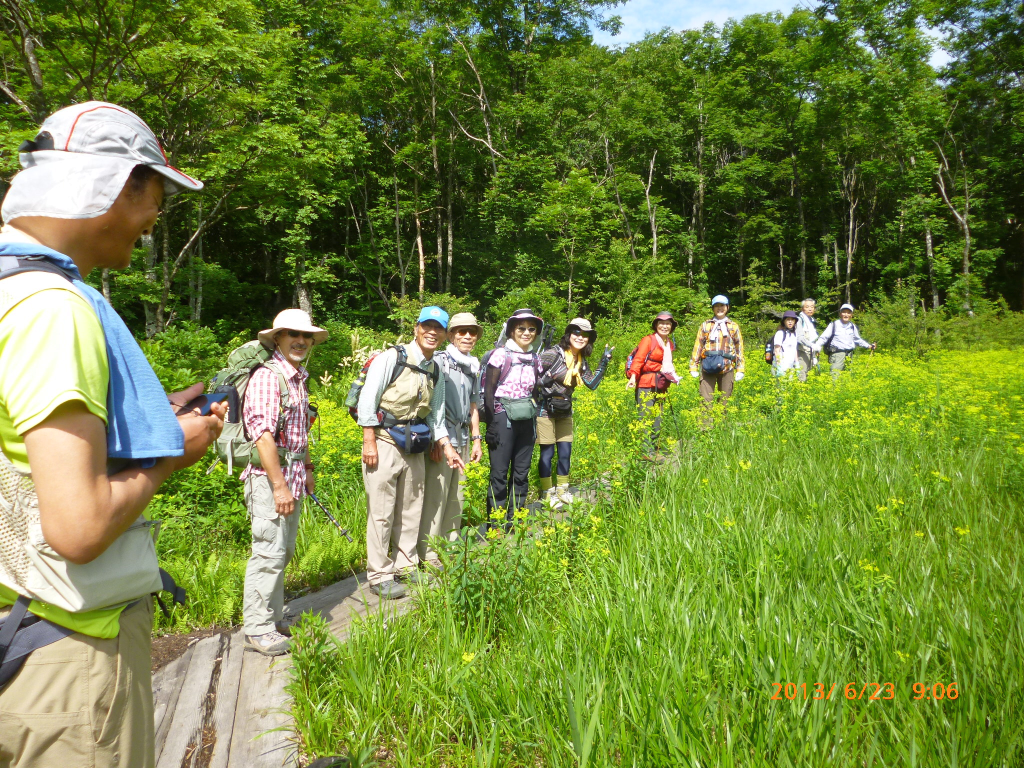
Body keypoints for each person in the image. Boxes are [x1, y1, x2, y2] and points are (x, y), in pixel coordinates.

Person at [0, 102, 224, 767]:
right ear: (118, 185)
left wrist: (157, 409)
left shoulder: (11, 292)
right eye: (156, 194)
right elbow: (80, 527)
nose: (156, 218)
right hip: (67, 654)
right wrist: (165, 457)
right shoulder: (53, 311)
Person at [357, 306, 465, 599]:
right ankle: (379, 574)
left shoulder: (435, 369)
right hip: (384, 441)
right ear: (417, 328)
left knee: (411, 508)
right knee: (381, 511)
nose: (432, 332)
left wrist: (447, 447)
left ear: (444, 335)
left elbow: (436, 416)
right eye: (427, 326)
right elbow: (368, 400)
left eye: (438, 328)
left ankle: (406, 564)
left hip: (414, 443)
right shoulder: (392, 358)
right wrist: (368, 441)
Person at [240, 309, 327, 656]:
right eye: (293, 334)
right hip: (268, 480)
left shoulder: (298, 377)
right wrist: (278, 486)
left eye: (306, 336)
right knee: (268, 553)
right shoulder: (267, 377)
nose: (301, 341)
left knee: (283, 551)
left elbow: (298, 430)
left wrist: (307, 468)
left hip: (290, 477)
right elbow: (262, 436)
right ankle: (257, 629)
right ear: (277, 338)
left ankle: (273, 619)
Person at [419, 313, 483, 569]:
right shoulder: (439, 361)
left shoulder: (472, 366)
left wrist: (477, 439)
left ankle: (451, 544)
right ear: (452, 335)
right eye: (461, 331)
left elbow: (474, 406)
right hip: (443, 439)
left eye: (472, 332)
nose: (467, 336)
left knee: (457, 495)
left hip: (464, 437)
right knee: (437, 495)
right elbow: (431, 404)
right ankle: (429, 552)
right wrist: (437, 439)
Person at [536, 318, 613, 506]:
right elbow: (531, 376)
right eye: (576, 332)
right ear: (569, 334)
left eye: (585, 335)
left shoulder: (581, 362)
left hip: (564, 409)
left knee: (565, 452)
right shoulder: (553, 354)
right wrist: (543, 382)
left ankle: (562, 490)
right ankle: (547, 493)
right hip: (545, 409)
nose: (580, 337)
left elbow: (592, 384)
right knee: (547, 453)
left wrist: (604, 361)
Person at [483, 308, 545, 527]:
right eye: (521, 328)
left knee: (521, 472)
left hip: (526, 419)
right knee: (499, 473)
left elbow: (535, 390)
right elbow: (489, 391)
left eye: (531, 329)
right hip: (502, 418)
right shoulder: (500, 354)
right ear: (511, 330)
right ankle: (496, 523)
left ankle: (516, 518)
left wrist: (535, 414)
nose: (527, 333)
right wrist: (490, 426)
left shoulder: (535, 357)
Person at [626, 311, 679, 461]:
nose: (664, 326)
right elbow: (639, 359)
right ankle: (645, 451)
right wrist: (633, 377)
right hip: (646, 383)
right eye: (661, 323)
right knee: (645, 417)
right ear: (656, 325)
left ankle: (654, 448)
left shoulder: (669, 343)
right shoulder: (648, 340)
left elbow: (667, 365)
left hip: (660, 384)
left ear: (671, 326)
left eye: (668, 323)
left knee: (658, 418)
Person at [689, 295, 746, 422]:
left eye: (722, 306)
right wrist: (693, 366)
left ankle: (721, 430)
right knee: (705, 400)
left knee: (724, 401)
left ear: (727, 307)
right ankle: (705, 431)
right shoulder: (705, 325)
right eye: (716, 306)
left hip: (727, 367)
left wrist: (740, 369)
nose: (719, 308)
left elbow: (739, 348)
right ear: (713, 308)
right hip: (707, 367)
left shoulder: (733, 326)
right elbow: (698, 346)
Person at [813, 303, 876, 378]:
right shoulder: (834, 325)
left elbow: (857, 339)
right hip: (837, 355)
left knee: (846, 377)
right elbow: (824, 337)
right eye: (844, 312)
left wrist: (869, 346)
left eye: (848, 312)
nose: (846, 315)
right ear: (840, 314)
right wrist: (816, 347)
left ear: (851, 315)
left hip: (849, 355)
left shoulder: (852, 326)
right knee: (835, 377)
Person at [795, 298, 819, 381]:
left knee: (809, 373)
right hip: (802, 351)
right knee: (802, 373)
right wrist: (812, 345)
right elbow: (800, 338)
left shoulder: (811, 321)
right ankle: (800, 391)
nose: (810, 309)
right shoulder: (799, 320)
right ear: (802, 308)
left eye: (812, 307)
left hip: (811, 352)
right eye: (807, 307)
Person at [772, 311, 800, 378]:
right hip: (781, 366)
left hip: (790, 366)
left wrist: (797, 363)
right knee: (780, 387)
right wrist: (779, 366)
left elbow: (794, 349)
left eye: (792, 320)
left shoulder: (794, 334)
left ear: (795, 322)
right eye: (788, 319)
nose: (790, 322)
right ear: (784, 321)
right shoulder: (780, 333)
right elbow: (777, 350)